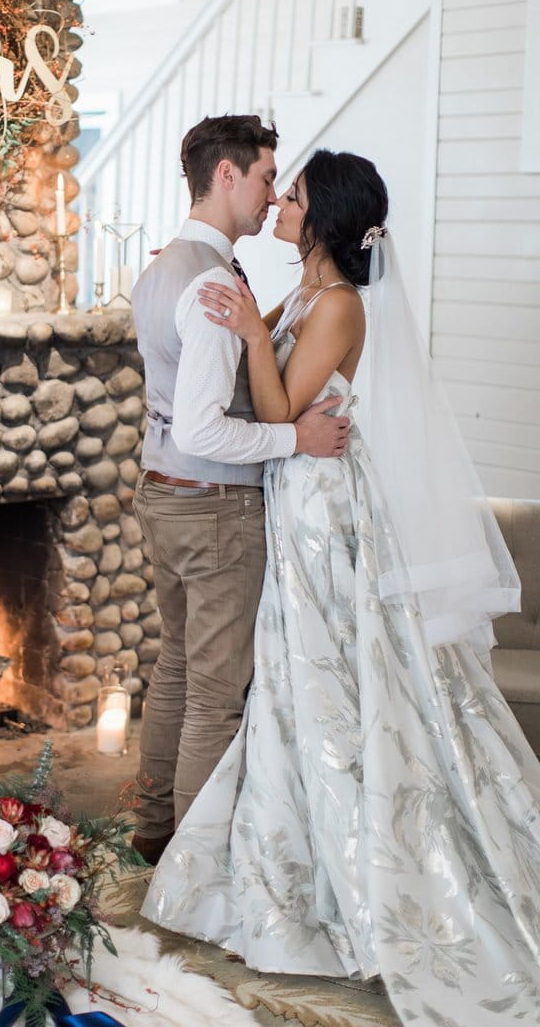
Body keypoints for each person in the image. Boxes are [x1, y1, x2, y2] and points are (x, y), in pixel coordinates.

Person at [142, 149, 540, 1024]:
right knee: (289, 686)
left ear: (324, 219)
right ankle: (293, 861)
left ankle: (370, 876)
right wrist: (248, 322)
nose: (281, 202)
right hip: (292, 499)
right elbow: (268, 383)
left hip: (323, 516)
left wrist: (249, 334)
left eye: (295, 195)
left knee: (326, 684)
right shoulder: (308, 296)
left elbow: (280, 407)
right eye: (279, 189)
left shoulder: (344, 305)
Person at [129, 117, 350, 865]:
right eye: (264, 178)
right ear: (227, 176)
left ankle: (154, 829)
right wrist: (297, 438)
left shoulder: (161, 268)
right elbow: (204, 430)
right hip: (214, 506)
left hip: (163, 496)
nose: (271, 196)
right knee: (214, 697)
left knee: (177, 669)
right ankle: (194, 870)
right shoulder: (212, 282)